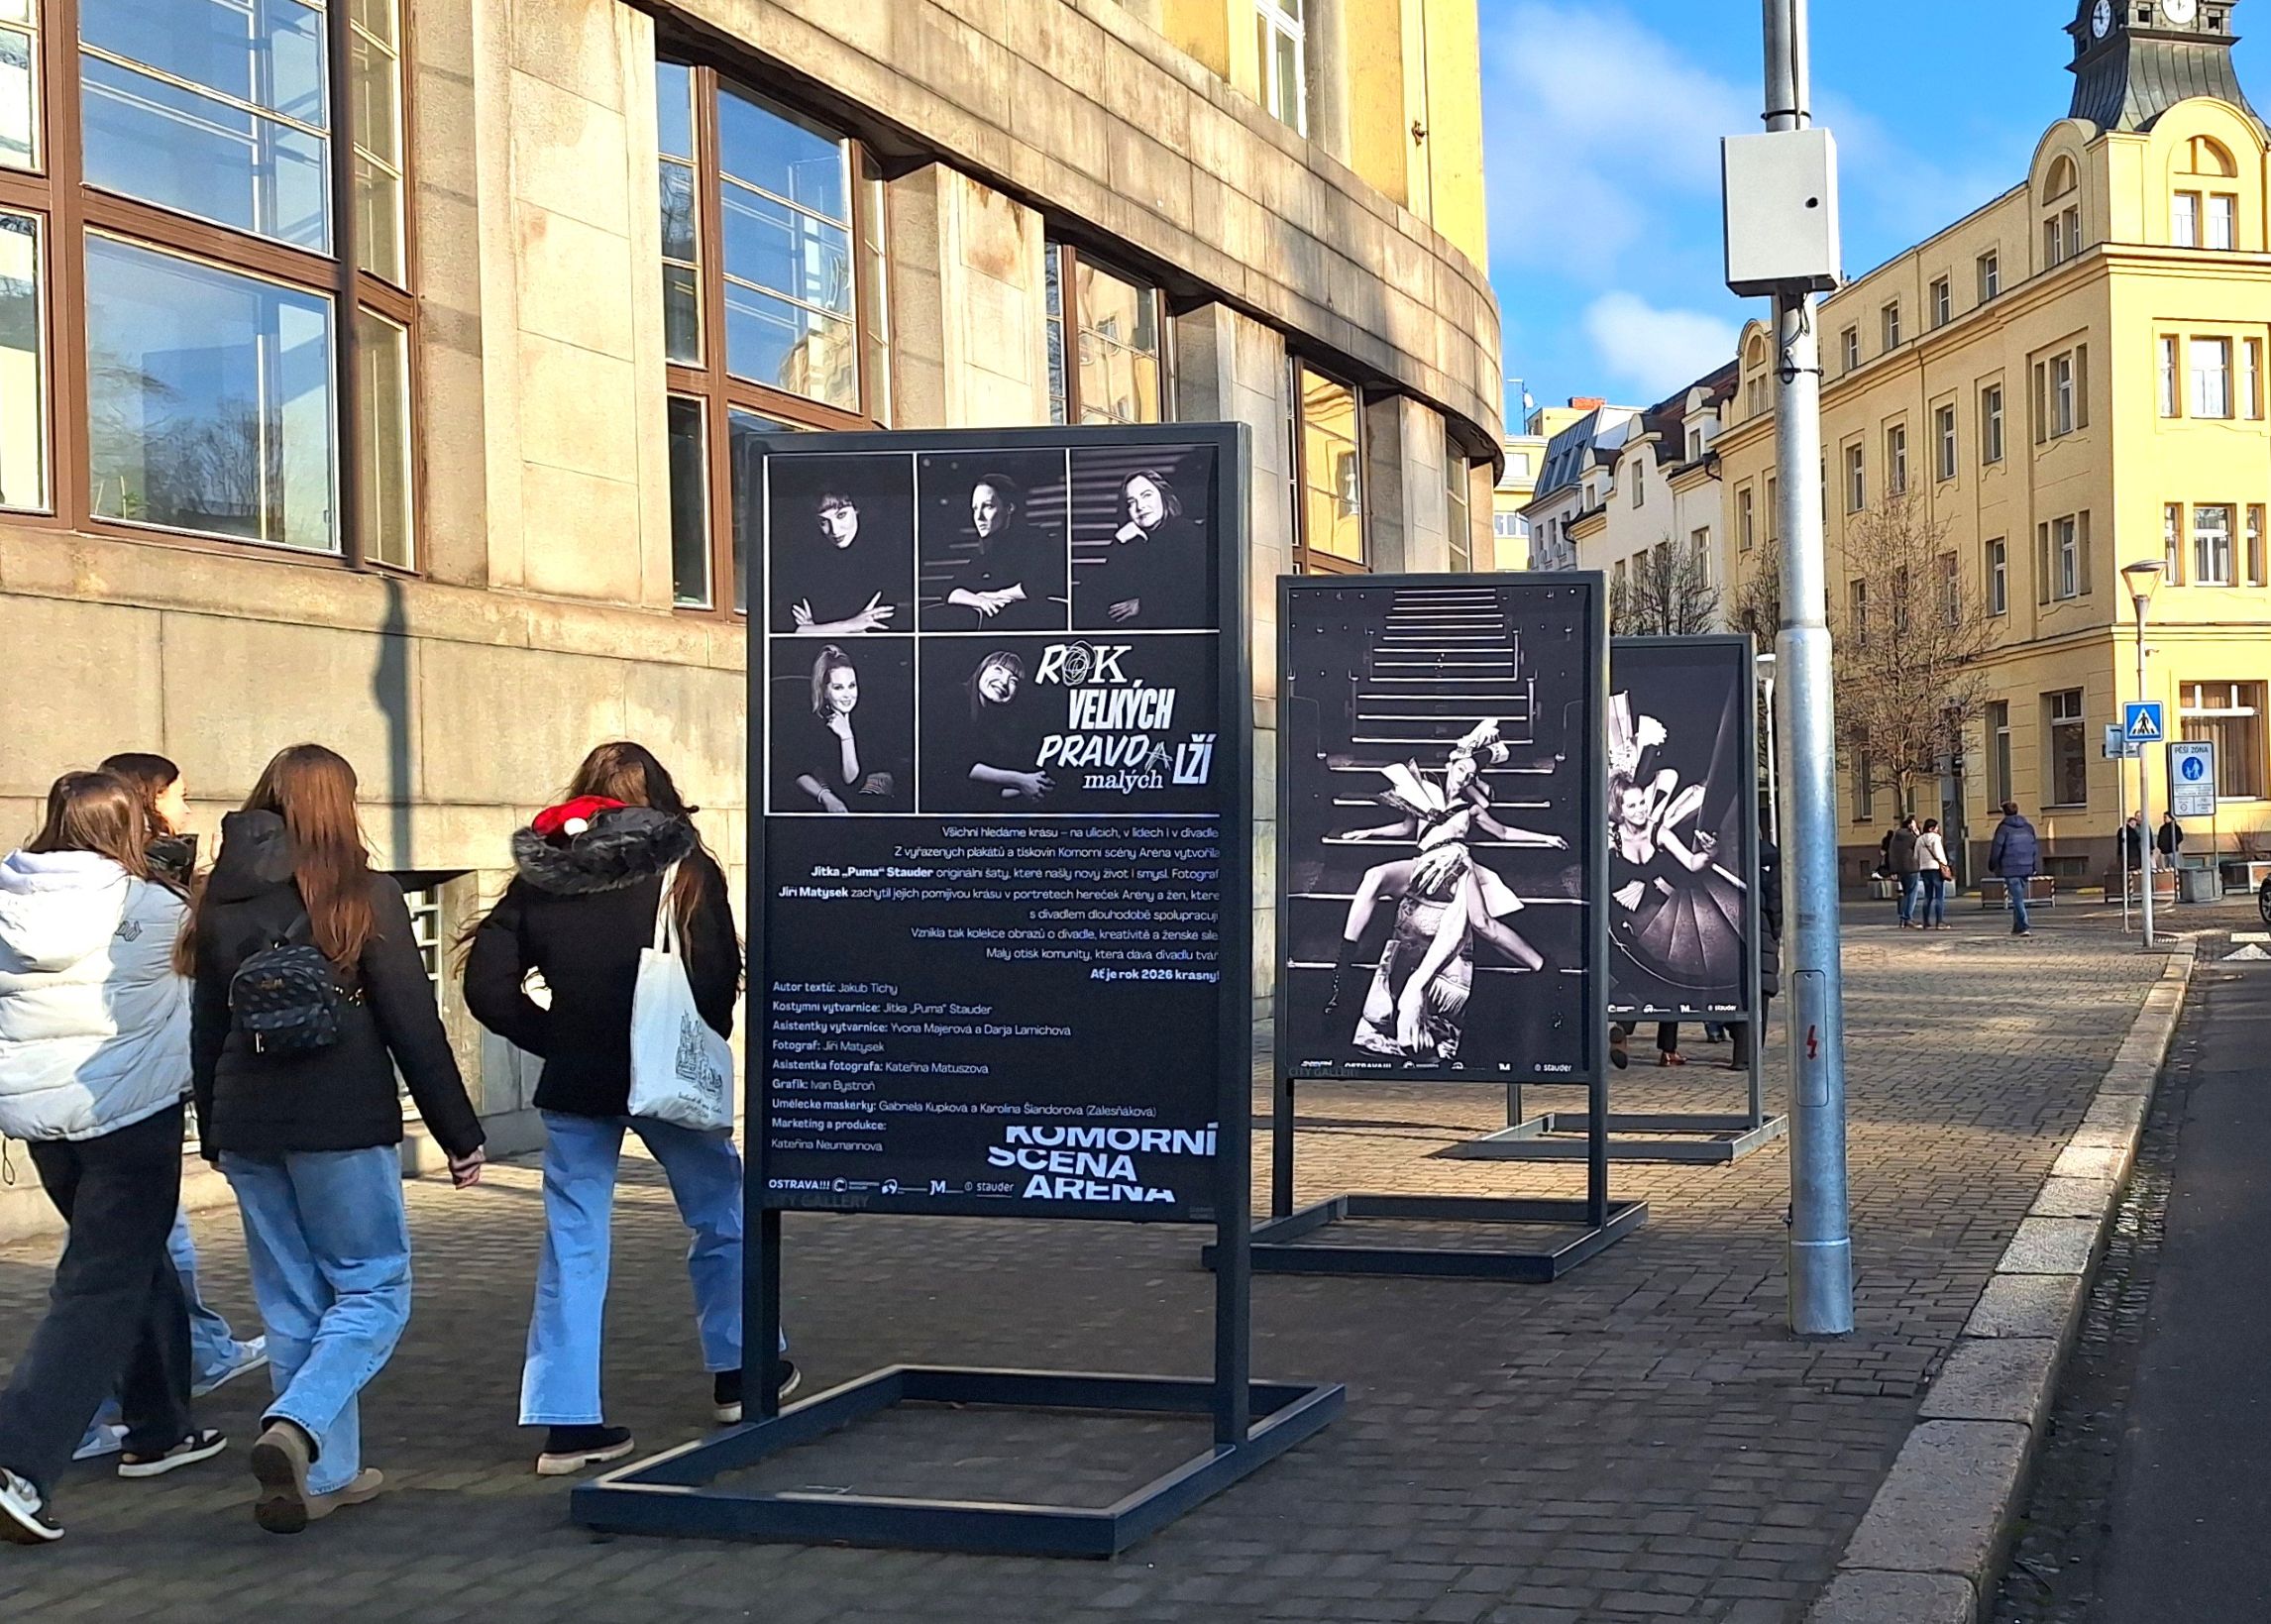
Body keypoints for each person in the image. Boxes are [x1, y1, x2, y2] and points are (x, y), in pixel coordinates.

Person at [185, 744, 487, 1534]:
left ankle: (326, 1475)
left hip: (248, 1124)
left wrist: (214, 1128)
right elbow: (413, 1023)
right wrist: (458, 1134)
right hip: (342, 1121)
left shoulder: (219, 896)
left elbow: (207, 1024)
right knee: (374, 1290)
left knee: (292, 1303)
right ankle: (299, 1421)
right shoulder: (364, 893)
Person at [464, 742, 785, 1479]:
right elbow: (717, 976)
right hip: (666, 1076)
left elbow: (486, 987)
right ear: (660, 795)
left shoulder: (545, 872)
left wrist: (559, 1038)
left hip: (578, 1083)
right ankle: (741, 1373)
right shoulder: (684, 867)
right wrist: (691, 1042)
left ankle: (569, 1422)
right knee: (722, 1214)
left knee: (573, 1245)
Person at [0, 772, 227, 1546]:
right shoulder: (153, 905)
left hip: (43, 1121)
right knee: (97, 1287)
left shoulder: (9, 899)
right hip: (130, 1116)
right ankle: (19, 1460)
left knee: (130, 1265)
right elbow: (201, 978)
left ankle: (158, 1427)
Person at [68, 752, 267, 1461]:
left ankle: (184, 1372)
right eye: (178, 796)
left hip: (64, 1103)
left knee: (137, 1254)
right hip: (129, 1098)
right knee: (124, 1265)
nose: (187, 810)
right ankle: (98, 1416)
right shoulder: (145, 898)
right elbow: (183, 978)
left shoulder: (34, 893)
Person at [1327, 721, 1563, 1058]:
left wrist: (1545, 838)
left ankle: (1544, 968)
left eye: (1471, 776)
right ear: (1452, 764)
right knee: (1374, 876)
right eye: (1463, 770)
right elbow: (1405, 828)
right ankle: (1342, 966)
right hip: (1423, 862)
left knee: (1483, 924)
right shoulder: (1424, 792)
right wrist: (1367, 832)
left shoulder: (1471, 808)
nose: (1465, 778)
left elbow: (1504, 832)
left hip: (1458, 865)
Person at [1082, 469, 1202, 629]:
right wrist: (1119, 541)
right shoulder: (1133, 540)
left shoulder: (1186, 532)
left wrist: (1143, 605)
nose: (1140, 507)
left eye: (1147, 495)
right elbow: (1110, 590)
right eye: (1131, 502)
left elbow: (1194, 591)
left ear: (1163, 496)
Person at [941, 474, 1064, 630]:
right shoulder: (987, 549)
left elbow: (1036, 586)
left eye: (987, 506)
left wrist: (992, 595)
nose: (978, 517)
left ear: (1009, 508)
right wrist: (981, 601)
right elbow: (950, 591)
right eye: (975, 508)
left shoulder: (1035, 540)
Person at [788, 646, 896, 813]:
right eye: (838, 688)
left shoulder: (872, 720)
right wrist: (826, 797)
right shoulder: (812, 723)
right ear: (824, 691)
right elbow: (799, 772)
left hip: (869, 801)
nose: (847, 695)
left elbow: (852, 781)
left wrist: (846, 736)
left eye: (851, 686)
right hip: (828, 800)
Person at [782, 488, 899, 637]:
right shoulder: (804, 562)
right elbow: (791, 629)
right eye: (824, 522)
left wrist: (817, 629)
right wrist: (851, 625)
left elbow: (885, 630)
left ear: (857, 509)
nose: (835, 530)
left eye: (841, 515)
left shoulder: (885, 556)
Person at [955, 650, 1052, 806]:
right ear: (982, 669)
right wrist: (1020, 780)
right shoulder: (954, 700)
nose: (1004, 682)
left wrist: (1034, 784)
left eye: (1013, 681)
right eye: (998, 670)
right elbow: (957, 764)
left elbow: (989, 790)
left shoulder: (991, 724)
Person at [1730, 815, 1783, 1070]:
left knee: (1738, 991)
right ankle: (1749, 1055)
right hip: (1762, 932)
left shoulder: (1730, 857)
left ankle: (1740, 1050)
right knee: (1759, 994)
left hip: (1734, 933)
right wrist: (1774, 932)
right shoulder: (1773, 860)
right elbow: (1776, 902)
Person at [1986, 800, 2040, 937]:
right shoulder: (2028, 827)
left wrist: (1992, 864)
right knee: (2018, 896)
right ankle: (2017, 927)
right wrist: (2034, 865)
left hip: (2010, 867)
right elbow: (2034, 848)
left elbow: (1997, 848)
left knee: (2017, 898)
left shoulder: (2003, 829)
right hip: (2026, 866)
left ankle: (2024, 926)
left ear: (2004, 812)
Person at [1914, 817, 1951, 931]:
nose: (1938, 830)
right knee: (1939, 896)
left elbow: (1916, 856)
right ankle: (1939, 922)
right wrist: (1945, 864)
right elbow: (1939, 854)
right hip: (1936, 869)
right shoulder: (1936, 838)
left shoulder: (1919, 839)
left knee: (1928, 896)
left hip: (1924, 869)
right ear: (1931, 828)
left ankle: (1926, 922)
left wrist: (1922, 863)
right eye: (1936, 828)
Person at [1890, 815, 1923, 928]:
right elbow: (1920, 846)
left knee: (1904, 893)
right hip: (1912, 868)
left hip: (1900, 869)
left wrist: (1893, 870)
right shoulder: (1911, 837)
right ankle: (1907, 918)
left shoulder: (1895, 837)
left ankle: (1903, 918)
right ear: (1910, 826)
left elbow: (1891, 854)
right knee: (1911, 893)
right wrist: (1917, 834)